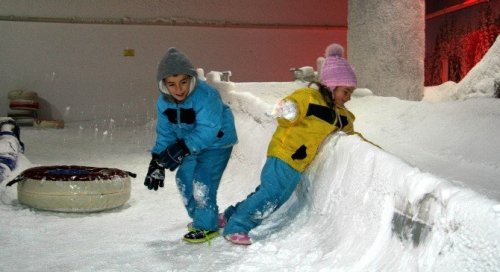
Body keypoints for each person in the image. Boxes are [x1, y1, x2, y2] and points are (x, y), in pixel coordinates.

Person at [221, 43, 375, 245]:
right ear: (331, 86)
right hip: (284, 154)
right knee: (272, 195)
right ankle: (237, 226)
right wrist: (287, 111)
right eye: (345, 91)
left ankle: (229, 216)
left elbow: (352, 136)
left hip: (298, 162)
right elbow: (286, 109)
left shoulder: (341, 116)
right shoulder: (308, 97)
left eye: (351, 93)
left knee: (267, 192)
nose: (348, 97)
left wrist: (371, 149)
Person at [144, 47, 237, 243]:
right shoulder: (164, 104)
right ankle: (202, 216)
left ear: (191, 79)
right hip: (189, 143)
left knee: (202, 181)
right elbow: (165, 133)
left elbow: (208, 129)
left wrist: (183, 148)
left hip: (216, 143)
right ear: (163, 85)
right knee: (184, 178)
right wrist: (157, 161)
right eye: (172, 84)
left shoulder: (206, 96)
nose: (179, 89)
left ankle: (206, 226)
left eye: (183, 82)